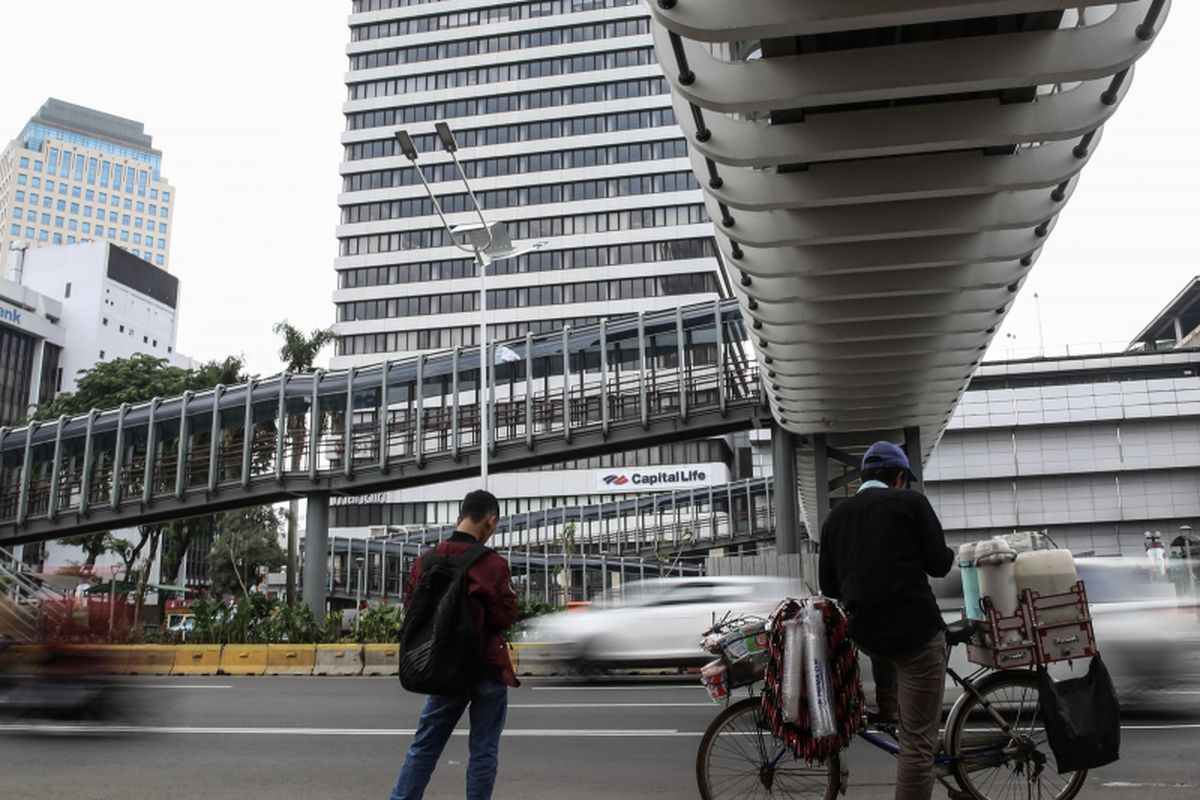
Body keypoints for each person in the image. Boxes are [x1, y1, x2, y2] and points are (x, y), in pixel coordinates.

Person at [818, 441, 954, 800]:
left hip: (868, 634)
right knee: (917, 745)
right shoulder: (911, 503)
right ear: (898, 478)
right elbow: (940, 565)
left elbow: (829, 586)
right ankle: (904, 724)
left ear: (863, 477)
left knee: (883, 649)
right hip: (917, 632)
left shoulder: (835, 518)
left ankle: (889, 709)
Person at [389, 489, 519, 800]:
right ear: (490, 522)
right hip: (486, 667)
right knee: (483, 751)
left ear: (460, 517)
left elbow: (412, 608)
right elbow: (504, 617)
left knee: (425, 745)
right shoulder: (493, 565)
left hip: (443, 667)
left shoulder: (426, 560)